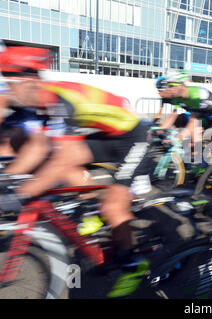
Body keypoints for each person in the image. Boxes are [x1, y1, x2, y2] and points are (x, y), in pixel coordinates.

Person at [0, 46, 153, 298]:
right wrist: (8, 179)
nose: (8, 89)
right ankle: (93, 210)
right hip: (109, 136)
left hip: (134, 137)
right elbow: (38, 147)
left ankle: (134, 265)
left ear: (29, 79)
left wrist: (21, 193)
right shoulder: (44, 101)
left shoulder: (61, 100)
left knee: (113, 204)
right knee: (56, 160)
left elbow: (62, 159)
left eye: (9, 81)